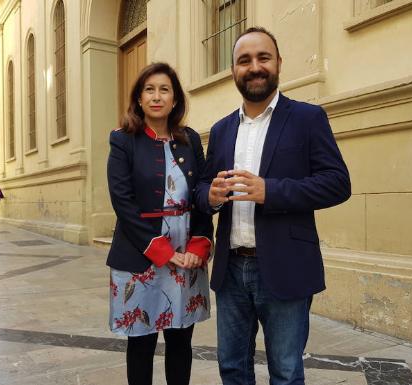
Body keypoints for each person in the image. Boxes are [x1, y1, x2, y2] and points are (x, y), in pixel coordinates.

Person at [195, 27, 351, 385]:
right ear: (234, 70)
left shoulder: (307, 119)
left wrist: (271, 191)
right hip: (231, 270)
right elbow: (202, 187)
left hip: (286, 267)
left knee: (285, 372)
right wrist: (211, 197)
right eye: (244, 60)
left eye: (263, 58)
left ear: (278, 63)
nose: (254, 67)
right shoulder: (221, 130)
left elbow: (338, 184)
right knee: (233, 368)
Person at [107, 62, 213, 385]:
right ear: (139, 99)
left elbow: (202, 192)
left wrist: (200, 240)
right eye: (149, 90)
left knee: (181, 340)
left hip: (186, 255)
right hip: (141, 253)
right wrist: (158, 247)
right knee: (141, 342)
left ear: (175, 98)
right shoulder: (123, 140)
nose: (156, 96)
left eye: (164, 89)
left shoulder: (190, 140)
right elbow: (122, 201)